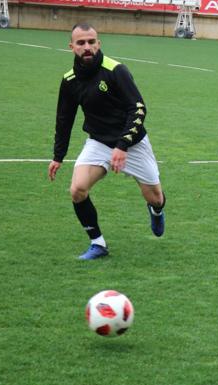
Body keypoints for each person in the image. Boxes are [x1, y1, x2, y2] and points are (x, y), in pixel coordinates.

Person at [48, 23, 166, 260]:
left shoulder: (116, 70)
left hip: (133, 143)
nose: (87, 47)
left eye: (91, 42)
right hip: (98, 143)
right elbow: (64, 119)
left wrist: (122, 145)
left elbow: (139, 109)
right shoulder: (70, 80)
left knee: (155, 197)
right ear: (71, 47)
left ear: (99, 43)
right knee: (77, 189)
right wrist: (58, 156)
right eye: (81, 43)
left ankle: (156, 209)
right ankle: (98, 244)